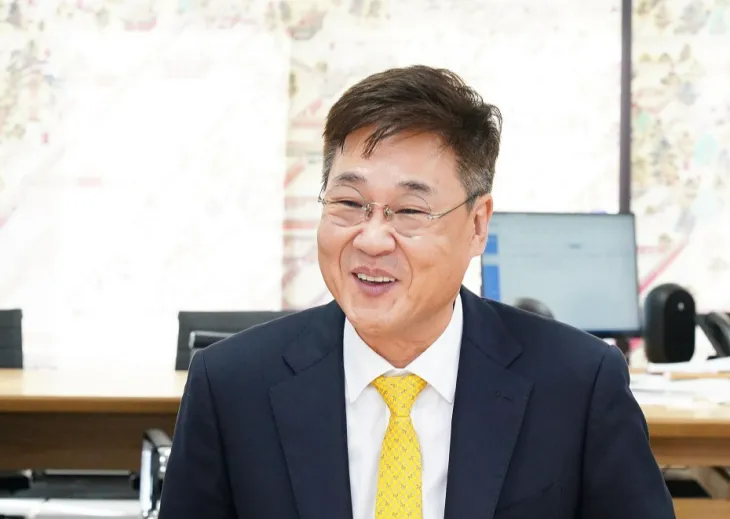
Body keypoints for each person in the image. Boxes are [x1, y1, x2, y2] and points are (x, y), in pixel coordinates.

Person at [160, 65, 675, 519]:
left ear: (477, 226)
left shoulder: (578, 384)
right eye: (349, 203)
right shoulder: (230, 386)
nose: (372, 239)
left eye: (409, 211)